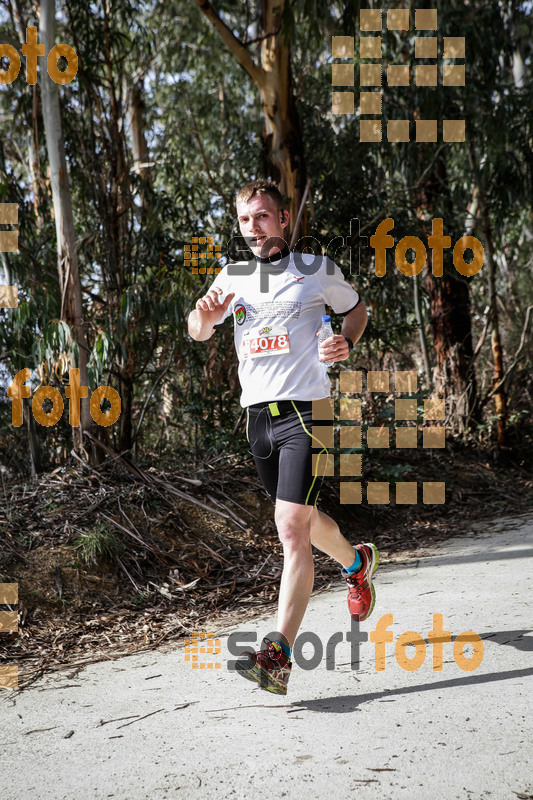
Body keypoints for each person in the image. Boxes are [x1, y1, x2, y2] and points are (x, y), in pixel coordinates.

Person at [187, 179, 378, 695]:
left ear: (284, 218)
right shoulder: (234, 276)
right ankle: (357, 563)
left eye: (263, 217)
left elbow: (356, 310)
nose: (254, 228)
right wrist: (203, 317)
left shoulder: (317, 271)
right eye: (246, 220)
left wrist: (346, 340)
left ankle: (277, 656)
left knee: (289, 526)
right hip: (258, 419)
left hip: (306, 411)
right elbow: (198, 328)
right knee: (307, 520)